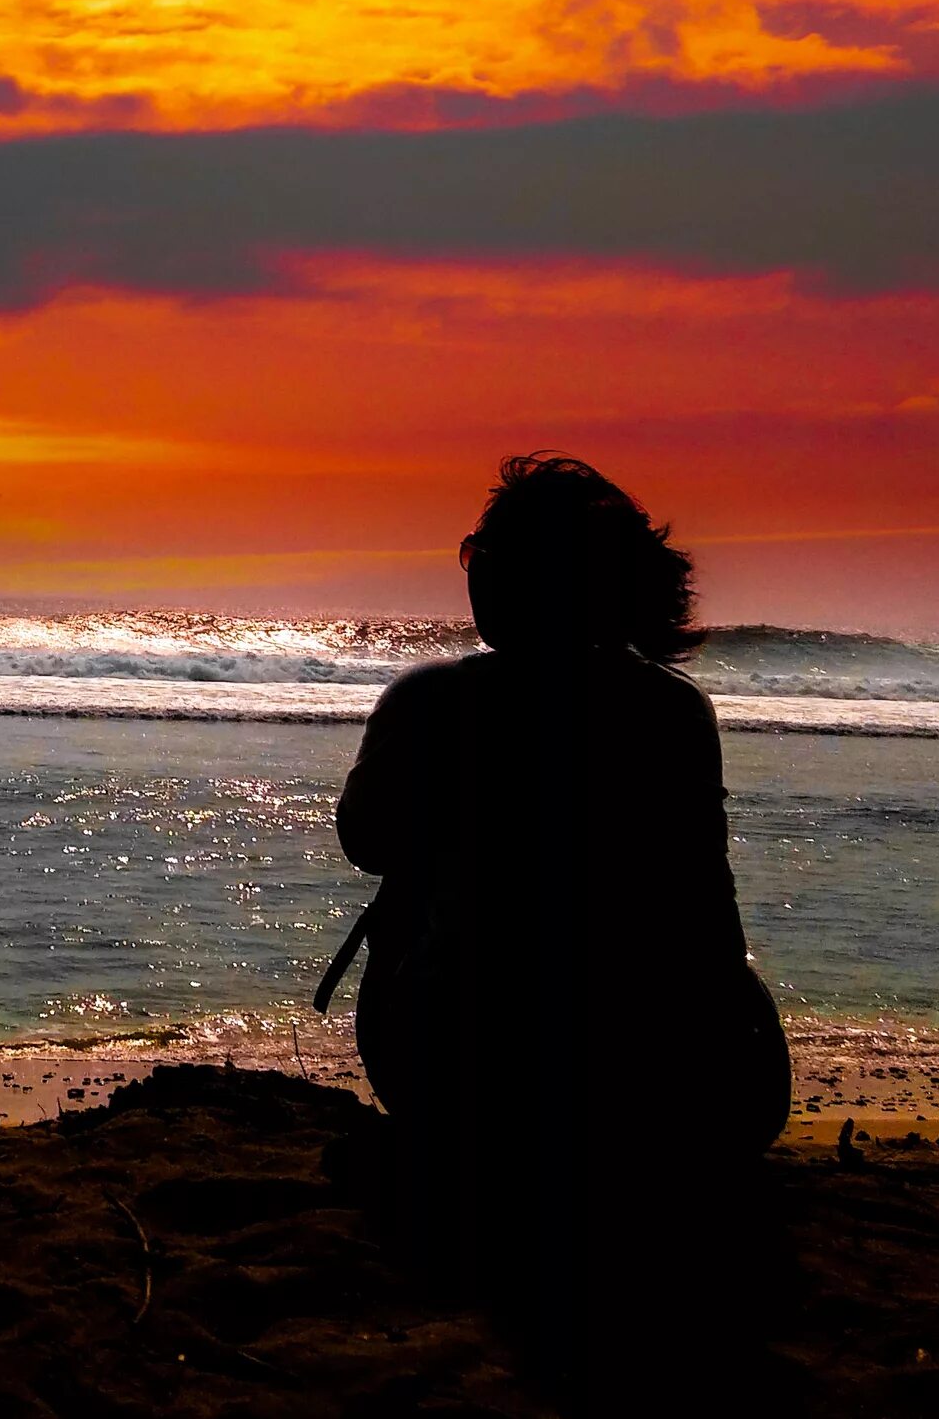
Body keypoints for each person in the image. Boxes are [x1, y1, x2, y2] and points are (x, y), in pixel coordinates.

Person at [330, 453, 790, 1387]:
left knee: (421, 883)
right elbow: (709, 919)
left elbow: (366, 841)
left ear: (506, 576)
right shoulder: (675, 713)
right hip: (696, 1094)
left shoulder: (433, 700)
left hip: (466, 1076)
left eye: (486, 553)